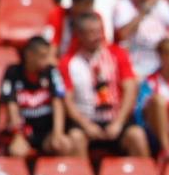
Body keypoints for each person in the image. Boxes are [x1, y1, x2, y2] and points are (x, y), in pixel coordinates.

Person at [61, 10, 146, 157]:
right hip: (86, 121)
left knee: (136, 136)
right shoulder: (68, 62)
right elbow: (67, 101)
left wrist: (119, 122)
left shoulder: (118, 54)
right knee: (75, 138)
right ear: (80, 35)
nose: (98, 36)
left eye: (99, 31)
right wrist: (87, 125)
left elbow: (130, 89)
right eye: (91, 32)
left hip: (115, 119)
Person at [0, 36, 80, 158]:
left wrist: (57, 133)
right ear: (29, 55)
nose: (47, 60)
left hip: (47, 130)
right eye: (43, 56)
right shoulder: (12, 73)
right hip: (25, 130)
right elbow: (11, 107)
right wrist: (18, 135)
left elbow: (58, 102)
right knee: (17, 151)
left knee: (64, 145)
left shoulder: (51, 72)